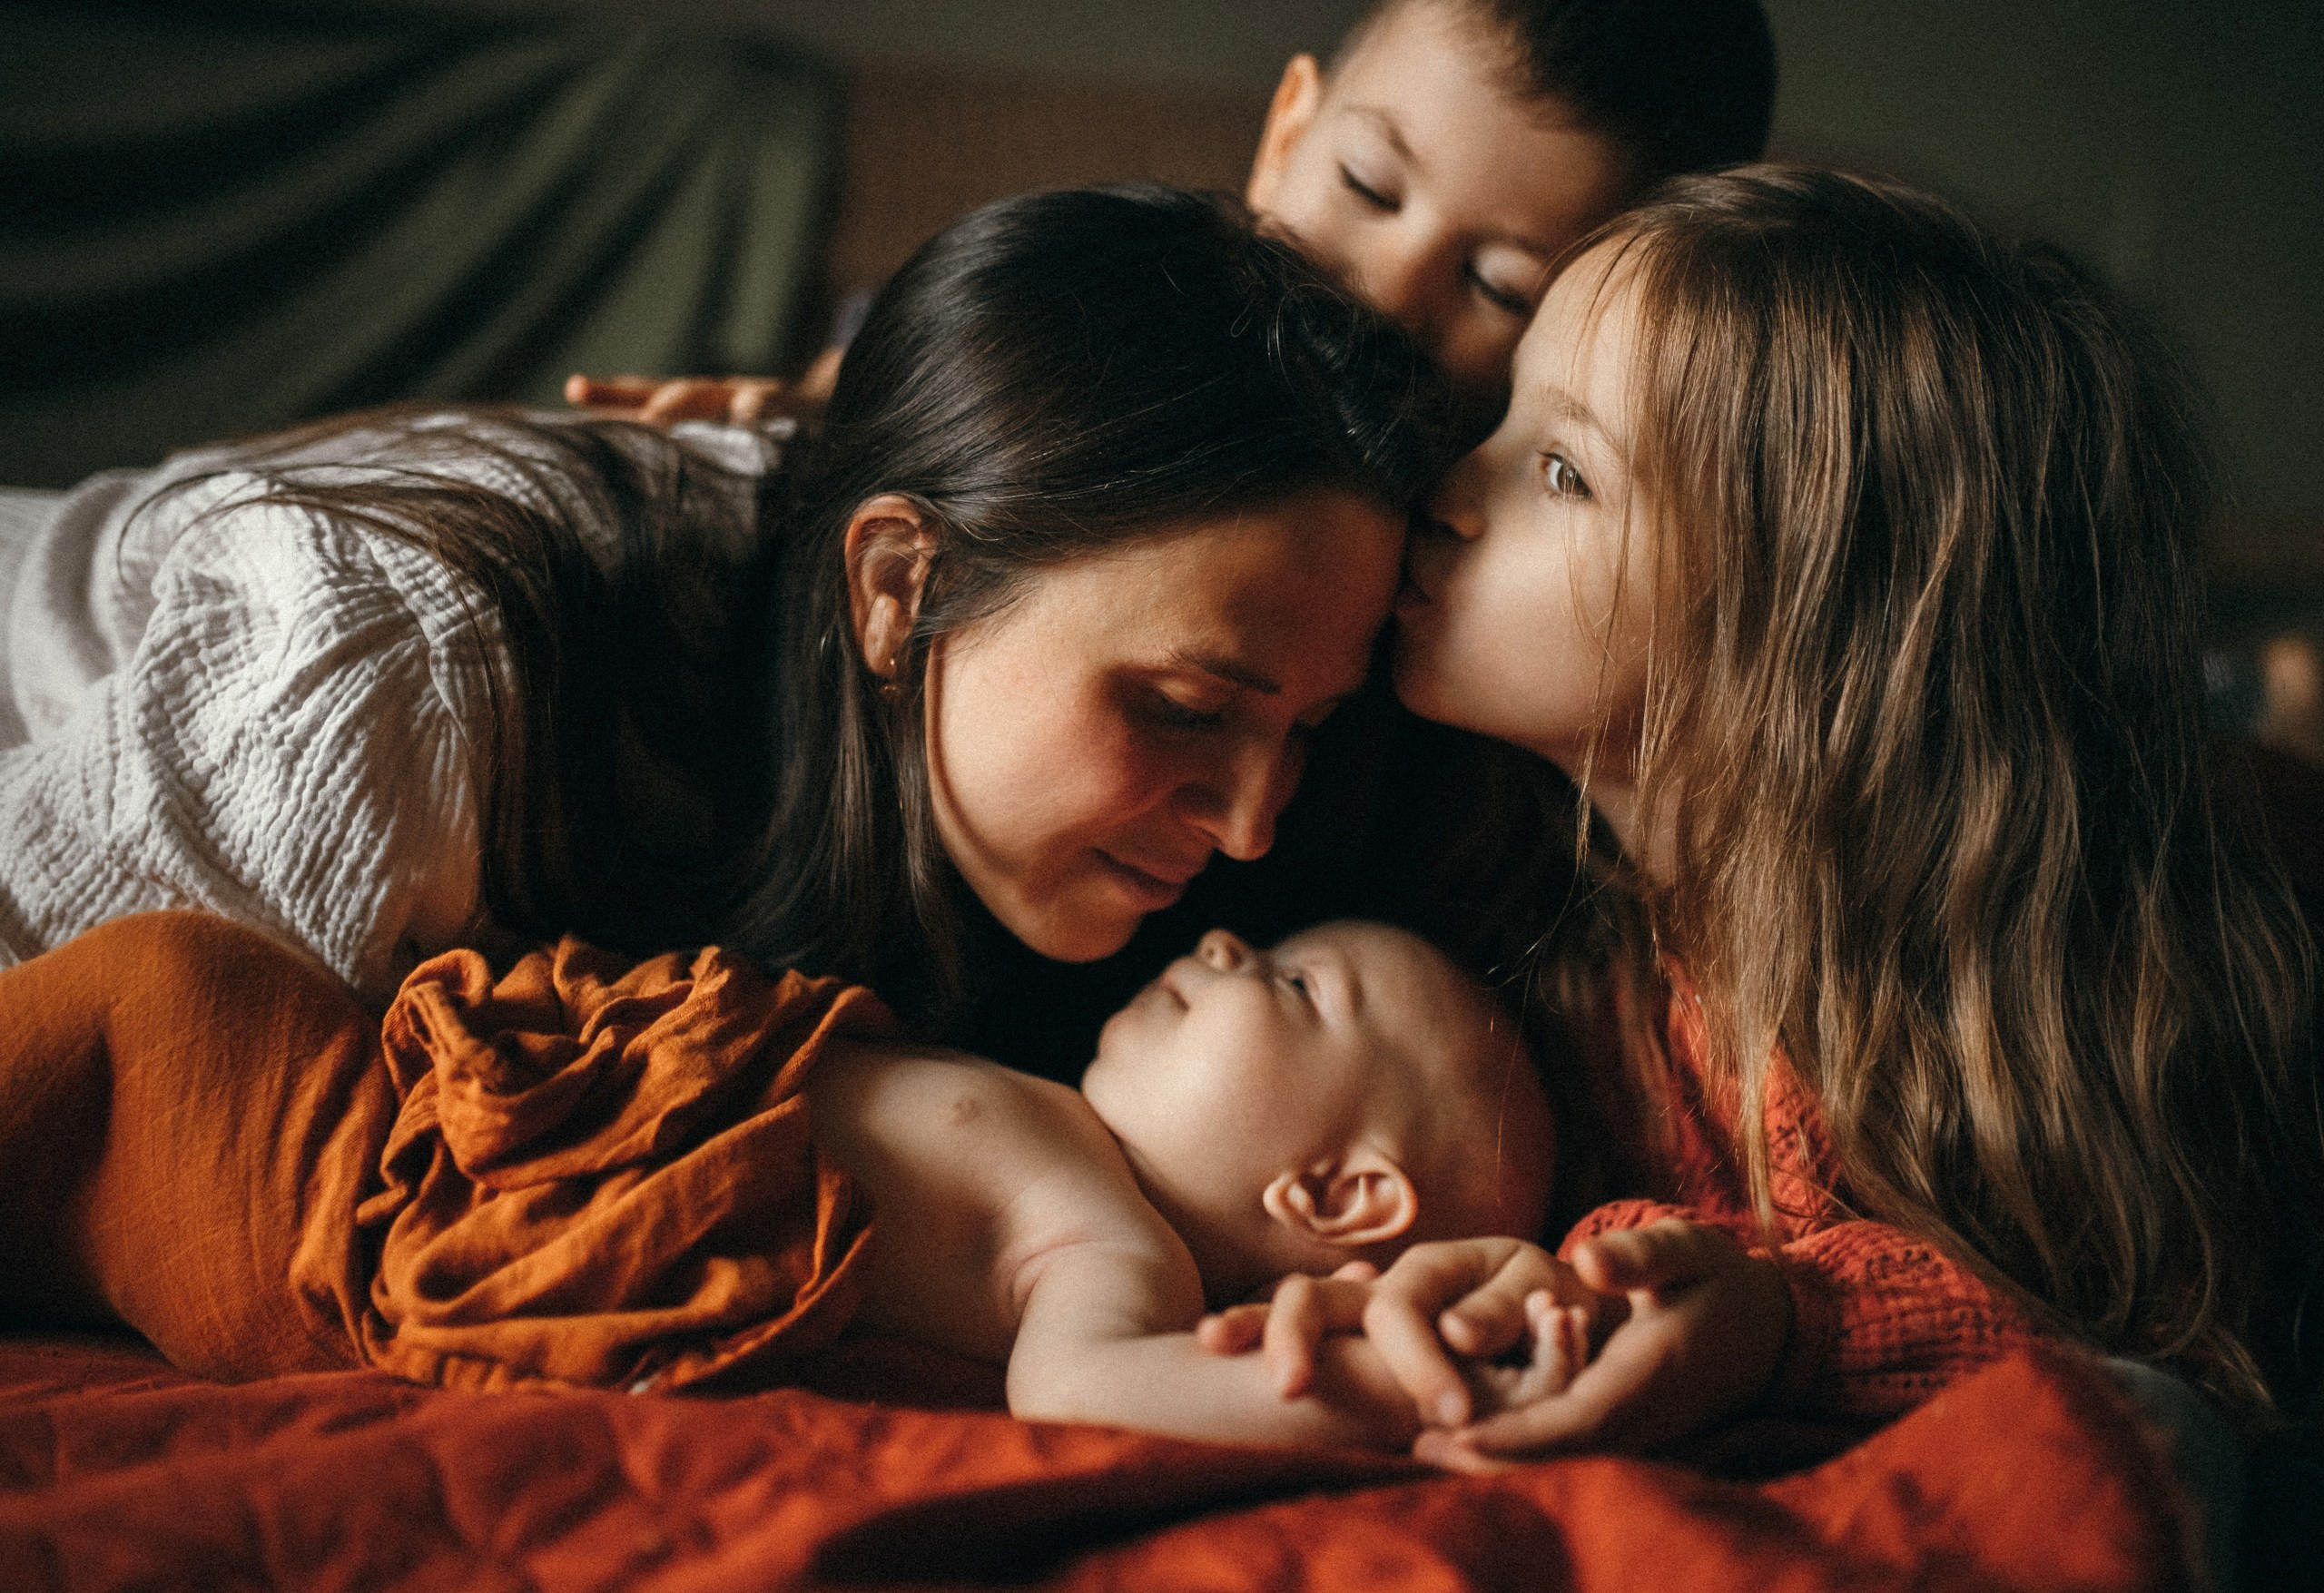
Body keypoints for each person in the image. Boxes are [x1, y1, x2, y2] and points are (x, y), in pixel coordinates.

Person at [1207, 166, 2324, 1471]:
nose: (1448, 486)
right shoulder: (1503, 869)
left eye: (1564, 472)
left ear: (1803, 630)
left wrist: (1789, 1323)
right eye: (1505, 421)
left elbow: (2157, 1328)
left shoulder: (2003, 989)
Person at [0, 186, 1448, 1020]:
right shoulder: (412, 671)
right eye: (1190, 710)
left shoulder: (966, 762)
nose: (1255, 824)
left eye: (1308, 728)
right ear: (900, 586)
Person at [0, 909, 1561, 1453]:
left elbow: (1090, 1397)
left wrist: (1385, 1391)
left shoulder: (1105, 1240)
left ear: (1339, 1202)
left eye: (1292, 987)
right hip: (371, 1106)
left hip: (328, 1194)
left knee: (136, 1014)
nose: (1228, 940)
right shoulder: (1050, 1123)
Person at [570, 0, 1777, 436]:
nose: (1391, 289)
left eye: (1502, 286)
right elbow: (971, 358)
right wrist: (834, 395)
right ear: (1286, 132)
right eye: (1366, 186)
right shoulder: (1144, 289)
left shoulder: (1480, 504)